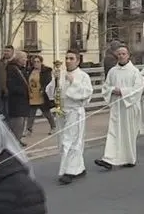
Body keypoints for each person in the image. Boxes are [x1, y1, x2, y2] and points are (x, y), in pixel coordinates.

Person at [46, 49, 94, 185]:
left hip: (74, 111)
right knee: (62, 140)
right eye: (66, 58)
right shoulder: (60, 74)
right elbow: (50, 92)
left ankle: (69, 171)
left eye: (71, 58)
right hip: (62, 111)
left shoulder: (83, 76)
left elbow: (87, 94)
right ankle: (79, 168)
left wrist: (74, 83)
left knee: (72, 141)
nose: (68, 61)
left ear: (78, 61)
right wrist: (55, 80)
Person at [95, 45, 144, 170]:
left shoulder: (134, 72)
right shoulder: (112, 71)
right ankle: (109, 159)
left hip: (129, 107)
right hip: (117, 106)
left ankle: (129, 158)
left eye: (123, 53)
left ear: (128, 55)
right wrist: (112, 90)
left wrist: (122, 91)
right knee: (114, 132)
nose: (121, 56)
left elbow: (138, 89)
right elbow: (106, 87)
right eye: (119, 54)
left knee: (127, 133)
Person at [25, 55, 56, 136]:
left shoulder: (45, 71)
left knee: (47, 113)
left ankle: (53, 127)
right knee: (31, 114)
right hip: (32, 94)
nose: (36, 63)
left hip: (41, 94)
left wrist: (43, 88)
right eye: (34, 62)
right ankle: (29, 129)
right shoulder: (29, 71)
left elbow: (48, 81)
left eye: (38, 62)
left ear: (41, 62)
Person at [5, 51, 31, 145]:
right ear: (19, 59)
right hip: (16, 101)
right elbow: (11, 85)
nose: (26, 60)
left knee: (22, 122)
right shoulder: (12, 69)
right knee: (17, 123)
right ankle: (14, 142)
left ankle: (17, 140)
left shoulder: (22, 69)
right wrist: (23, 91)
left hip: (23, 100)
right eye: (24, 58)